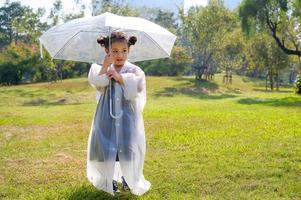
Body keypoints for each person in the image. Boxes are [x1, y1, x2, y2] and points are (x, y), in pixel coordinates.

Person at [86, 32, 151, 196]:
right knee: (106, 148)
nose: (119, 55)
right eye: (114, 51)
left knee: (127, 148)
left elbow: (137, 89)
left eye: (124, 51)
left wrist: (120, 78)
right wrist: (105, 67)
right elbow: (98, 84)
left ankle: (128, 179)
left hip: (127, 116)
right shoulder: (102, 68)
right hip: (106, 116)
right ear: (107, 51)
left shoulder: (135, 70)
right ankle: (108, 180)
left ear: (129, 51)